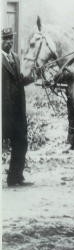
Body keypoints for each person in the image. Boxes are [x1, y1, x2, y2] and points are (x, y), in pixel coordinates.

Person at [2, 28, 33, 187]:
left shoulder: (15, 58)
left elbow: (20, 81)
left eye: (10, 39)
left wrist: (33, 77)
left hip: (18, 110)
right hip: (4, 112)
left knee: (21, 143)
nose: (9, 42)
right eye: (5, 39)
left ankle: (15, 177)